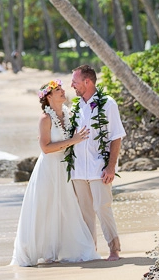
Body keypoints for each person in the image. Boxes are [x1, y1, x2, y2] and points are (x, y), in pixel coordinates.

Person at [11, 79, 100, 267]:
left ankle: (66, 248)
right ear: (49, 97)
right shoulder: (45, 119)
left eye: (61, 89)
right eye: (58, 90)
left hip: (65, 168)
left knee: (67, 207)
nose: (63, 91)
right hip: (49, 169)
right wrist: (74, 140)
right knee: (46, 208)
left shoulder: (68, 114)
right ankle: (41, 251)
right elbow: (45, 148)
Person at [69, 64, 126, 261]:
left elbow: (116, 136)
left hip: (98, 167)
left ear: (88, 81)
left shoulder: (108, 104)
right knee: (85, 212)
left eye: (75, 82)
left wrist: (111, 166)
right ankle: (90, 250)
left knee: (103, 207)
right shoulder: (76, 106)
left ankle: (114, 249)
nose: (72, 85)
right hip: (78, 170)